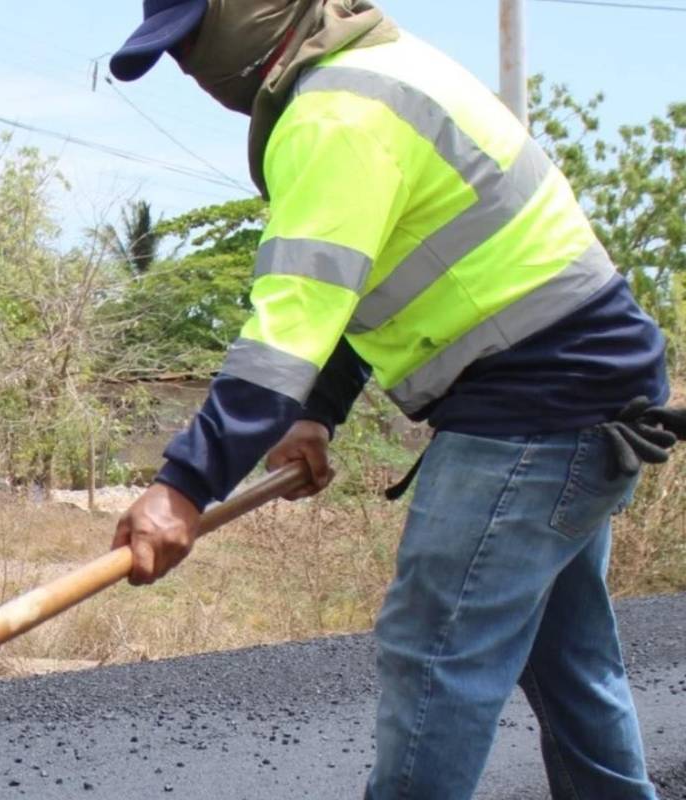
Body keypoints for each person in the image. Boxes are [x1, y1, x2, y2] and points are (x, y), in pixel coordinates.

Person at [108, 2, 684, 798]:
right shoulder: (375, 72)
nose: (189, 69)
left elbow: (285, 331)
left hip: (534, 405)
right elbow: (365, 279)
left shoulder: (335, 112)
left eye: (192, 40)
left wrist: (183, 487)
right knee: (569, 662)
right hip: (582, 389)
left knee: (434, 652)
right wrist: (316, 413)